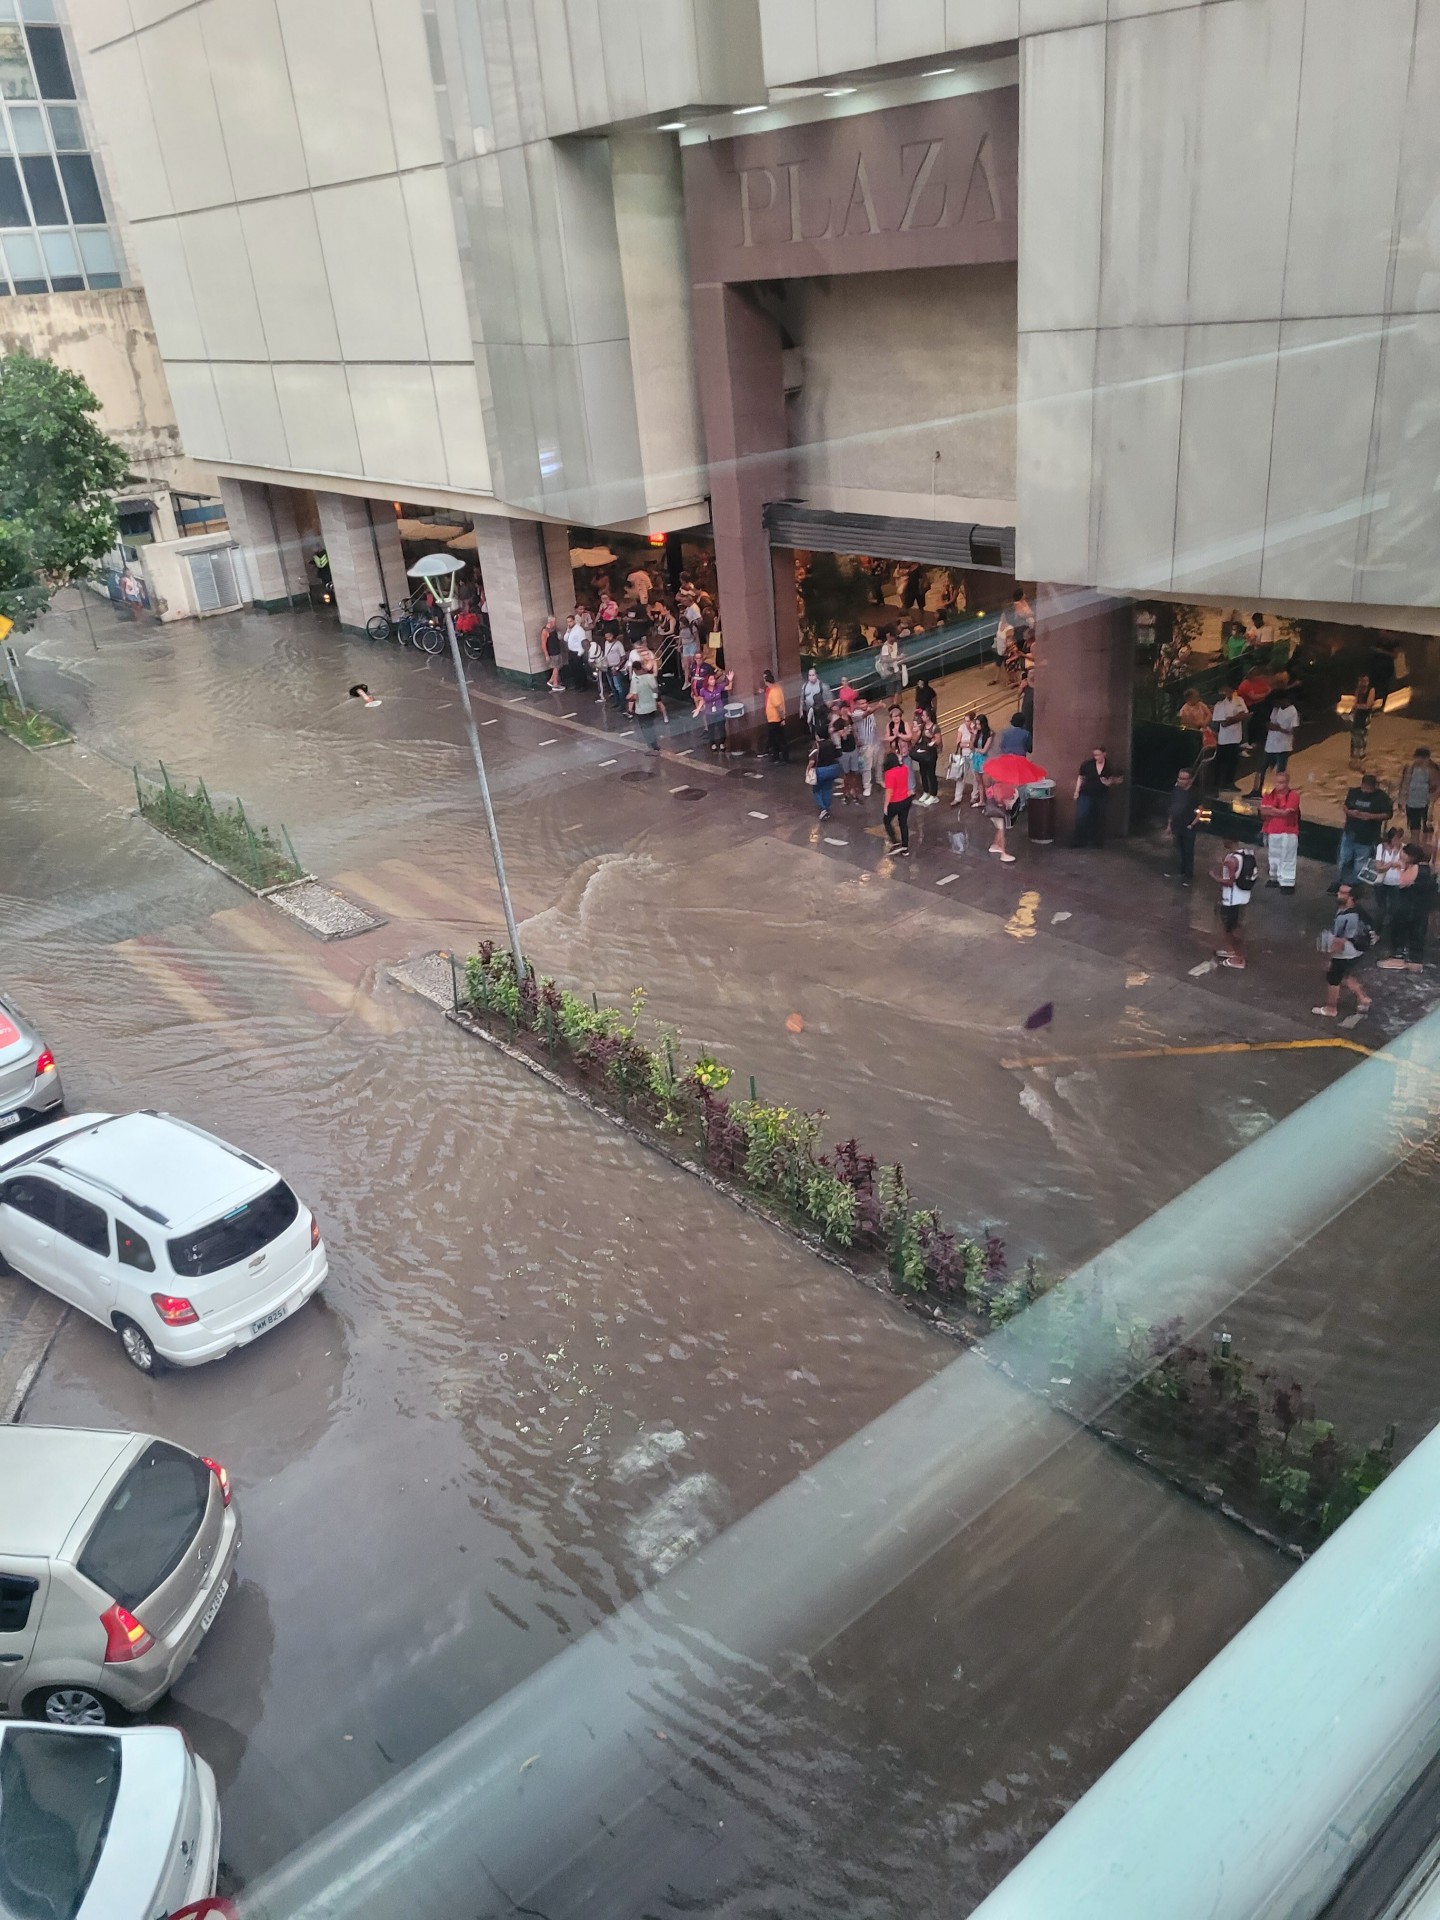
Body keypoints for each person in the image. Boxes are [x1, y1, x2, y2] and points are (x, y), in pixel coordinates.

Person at [1314, 883, 1374, 1017]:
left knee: (1333, 979)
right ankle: (1363, 998)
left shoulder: (1344, 917)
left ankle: (1331, 1008)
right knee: (1345, 976)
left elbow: (1338, 942)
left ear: (1351, 897)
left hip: (1345, 953)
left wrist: (1330, 959)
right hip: (1358, 950)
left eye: (1343, 893)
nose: (1338, 895)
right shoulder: (1358, 910)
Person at [1377, 843, 1434, 971]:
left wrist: (1401, 868)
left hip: (1409, 908)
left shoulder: (1415, 868)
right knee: (1416, 933)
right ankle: (1414, 960)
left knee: (1401, 931)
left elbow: (1402, 883)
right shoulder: (1426, 869)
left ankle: (1399, 958)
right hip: (1419, 908)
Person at [1335, 772, 1393, 889]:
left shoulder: (1382, 797)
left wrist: (1370, 816)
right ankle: (1339, 881)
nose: (1366, 791)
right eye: (1364, 787)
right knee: (1343, 858)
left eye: (1369, 789)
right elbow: (1345, 806)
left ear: (1374, 787)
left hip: (1367, 835)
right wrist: (1350, 812)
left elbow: (1388, 814)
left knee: (1360, 861)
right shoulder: (1354, 792)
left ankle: (1355, 885)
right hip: (1350, 831)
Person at [1212, 838, 1255, 970]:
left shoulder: (1230, 860)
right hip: (1244, 896)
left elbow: (1228, 881)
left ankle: (1237, 957)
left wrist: (1214, 875)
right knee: (1237, 925)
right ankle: (1232, 951)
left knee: (1228, 929)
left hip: (1231, 898)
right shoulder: (1247, 854)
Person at [1249, 684, 1299, 795]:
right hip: (1270, 744)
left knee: (1280, 772)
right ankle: (1256, 791)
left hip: (1283, 746)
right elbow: (1272, 722)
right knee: (1261, 769)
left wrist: (1280, 729)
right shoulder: (1276, 709)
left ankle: (1280, 793)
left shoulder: (1292, 712)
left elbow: (1294, 731)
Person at [1259, 771, 1301, 891]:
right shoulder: (1270, 795)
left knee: (1288, 857)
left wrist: (1272, 811)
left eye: (1281, 782)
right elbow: (1263, 811)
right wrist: (1278, 811)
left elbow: (1287, 813)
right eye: (1277, 782)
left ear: (1287, 783)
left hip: (1289, 831)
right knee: (1273, 856)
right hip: (1273, 830)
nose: (1278, 785)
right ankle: (1274, 878)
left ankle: (1287, 883)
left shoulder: (1293, 795)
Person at [1072, 747, 1122, 849]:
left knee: (1099, 817)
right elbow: (1081, 777)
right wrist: (1077, 791)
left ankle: (1097, 841)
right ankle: (1079, 841)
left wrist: (1110, 782)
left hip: (1101, 794)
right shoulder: (1087, 764)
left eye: (1098, 755)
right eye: (1095, 755)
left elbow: (1119, 779)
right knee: (1082, 816)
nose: (1096, 757)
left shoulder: (1109, 766)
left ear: (1104, 754)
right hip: (1086, 793)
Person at [1210, 683, 1248, 792]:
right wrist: (1237, 717)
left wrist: (1232, 718)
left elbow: (1245, 715)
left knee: (1233, 761)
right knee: (1221, 762)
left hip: (1236, 736)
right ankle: (1217, 784)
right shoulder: (1219, 704)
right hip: (1224, 738)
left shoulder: (1239, 700)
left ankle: (1229, 782)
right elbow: (1224, 723)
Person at [1371, 827, 1407, 936]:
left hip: (1396, 883)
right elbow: (1379, 867)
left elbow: (1404, 866)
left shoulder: (1404, 848)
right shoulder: (1381, 847)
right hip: (1382, 882)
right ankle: (1377, 931)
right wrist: (1391, 864)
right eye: (1396, 838)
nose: (1398, 840)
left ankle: (1393, 930)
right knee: (1381, 908)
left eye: (1399, 838)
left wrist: (1390, 863)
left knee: (1395, 908)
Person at [1168, 766, 1200, 887]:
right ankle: (1180, 871)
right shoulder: (1176, 790)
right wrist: (1169, 824)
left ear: (1190, 780)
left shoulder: (1194, 793)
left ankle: (1188, 875)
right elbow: (1172, 807)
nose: (1180, 781)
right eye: (1179, 778)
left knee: (1188, 851)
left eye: (1183, 778)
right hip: (1177, 825)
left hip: (1188, 826)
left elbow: (1201, 810)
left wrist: (1192, 824)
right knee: (1178, 848)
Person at [627, 655, 666, 752]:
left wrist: (628, 700)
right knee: (651, 725)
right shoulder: (650, 677)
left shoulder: (635, 681)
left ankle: (651, 744)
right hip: (651, 706)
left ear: (635, 669)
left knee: (645, 727)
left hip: (641, 708)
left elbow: (634, 696)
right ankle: (655, 744)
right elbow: (656, 690)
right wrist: (655, 701)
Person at [1400, 746, 1440, 838]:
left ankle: (1424, 845)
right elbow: (1405, 784)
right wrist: (1402, 800)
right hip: (1412, 802)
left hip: (1426, 803)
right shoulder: (1410, 768)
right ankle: (1415, 846)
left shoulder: (1433, 769)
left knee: (1427, 826)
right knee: (1414, 826)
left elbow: (1437, 786)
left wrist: (1430, 799)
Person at [881, 749, 912, 855]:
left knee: (887, 821)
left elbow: (889, 792)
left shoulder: (889, 774)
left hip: (895, 802)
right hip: (906, 800)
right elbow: (901, 762)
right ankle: (905, 847)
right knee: (903, 823)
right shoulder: (904, 769)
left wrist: (886, 806)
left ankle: (895, 842)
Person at [697, 665, 733, 753]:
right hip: (709, 713)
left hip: (719, 711)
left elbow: (729, 687)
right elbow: (702, 700)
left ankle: (722, 743)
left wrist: (730, 680)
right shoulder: (703, 690)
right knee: (711, 729)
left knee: (721, 728)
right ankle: (712, 743)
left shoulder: (719, 687)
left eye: (714, 679)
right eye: (711, 679)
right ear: (707, 681)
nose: (713, 681)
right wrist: (698, 709)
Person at [983, 771, 1018, 863]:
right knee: (1001, 829)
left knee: (999, 828)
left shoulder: (989, 786)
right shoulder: (998, 786)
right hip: (996, 811)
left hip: (990, 809)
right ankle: (1003, 853)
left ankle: (995, 845)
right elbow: (999, 799)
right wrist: (1005, 801)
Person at [911, 705, 941, 805]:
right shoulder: (923, 726)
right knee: (923, 772)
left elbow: (938, 741)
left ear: (928, 717)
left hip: (931, 752)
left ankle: (933, 794)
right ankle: (926, 791)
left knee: (931, 773)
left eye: (923, 715)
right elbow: (918, 736)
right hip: (923, 751)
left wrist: (931, 736)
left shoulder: (935, 727)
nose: (922, 717)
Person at [810, 726, 841, 820]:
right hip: (833, 769)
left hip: (821, 770)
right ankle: (827, 807)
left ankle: (823, 809)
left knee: (817, 790)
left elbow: (812, 761)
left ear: (817, 735)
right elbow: (838, 754)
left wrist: (808, 769)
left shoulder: (816, 745)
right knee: (827, 789)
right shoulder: (831, 743)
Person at [834, 706, 862, 805]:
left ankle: (854, 792)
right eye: (843, 708)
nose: (845, 710)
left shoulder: (851, 720)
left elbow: (854, 732)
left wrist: (857, 740)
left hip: (853, 749)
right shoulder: (838, 723)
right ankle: (846, 793)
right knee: (846, 774)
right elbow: (843, 736)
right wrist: (846, 728)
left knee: (854, 773)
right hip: (845, 751)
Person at [1348, 675, 1380, 763]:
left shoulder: (1371, 690)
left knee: (1362, 735)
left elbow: (1368, 705)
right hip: (1357, 715)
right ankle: (1354, 755)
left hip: (1365, 715)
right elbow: (1355, 701)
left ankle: (1361, 755)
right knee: (1354, 735)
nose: (1363, 683)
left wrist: (1357, 706)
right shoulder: (1358, 689)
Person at [763, 670, 788, 762]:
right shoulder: (778, 688)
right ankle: (776, 756)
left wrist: (782, 718)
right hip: (774, 719)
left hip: (775, 720)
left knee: (779, 740)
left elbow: (778, 707)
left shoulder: (773, 692)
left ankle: (782, 758)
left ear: (767, 682)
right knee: (776, 739)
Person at [603, 630, 629, 710]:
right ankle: (617, 702)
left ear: (612, 635)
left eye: (609, 636)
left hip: (616, 668)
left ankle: (622, 704)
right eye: (606, 637)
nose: (607, 638)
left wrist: (617, 668)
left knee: (619, 687)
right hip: (608, 667)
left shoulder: (618, 644)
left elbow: (623, 658)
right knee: (613, 687)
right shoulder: (606, 643)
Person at [540, 615, 564, 691]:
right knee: (555, 667)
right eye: (554, 622)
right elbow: (543, 644)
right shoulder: (545, 631)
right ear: (550, 622)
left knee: (558, 666)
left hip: (557, 650)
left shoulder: (554, 629)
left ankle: (551, 680)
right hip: (552, 652)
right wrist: (546, 655)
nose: (555, 623)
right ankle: (555, 684)